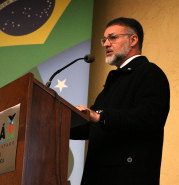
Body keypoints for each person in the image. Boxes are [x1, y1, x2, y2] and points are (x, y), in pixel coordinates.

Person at [70, 17, 170, 185]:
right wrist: (60, 124)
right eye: (104, 39)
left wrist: (100, 117)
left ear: (133, 39)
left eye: (113, 37)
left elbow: (150, 117)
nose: (105, 44)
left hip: (127, 177)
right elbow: (92, 126)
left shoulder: (149, 72)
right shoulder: (114, 82)